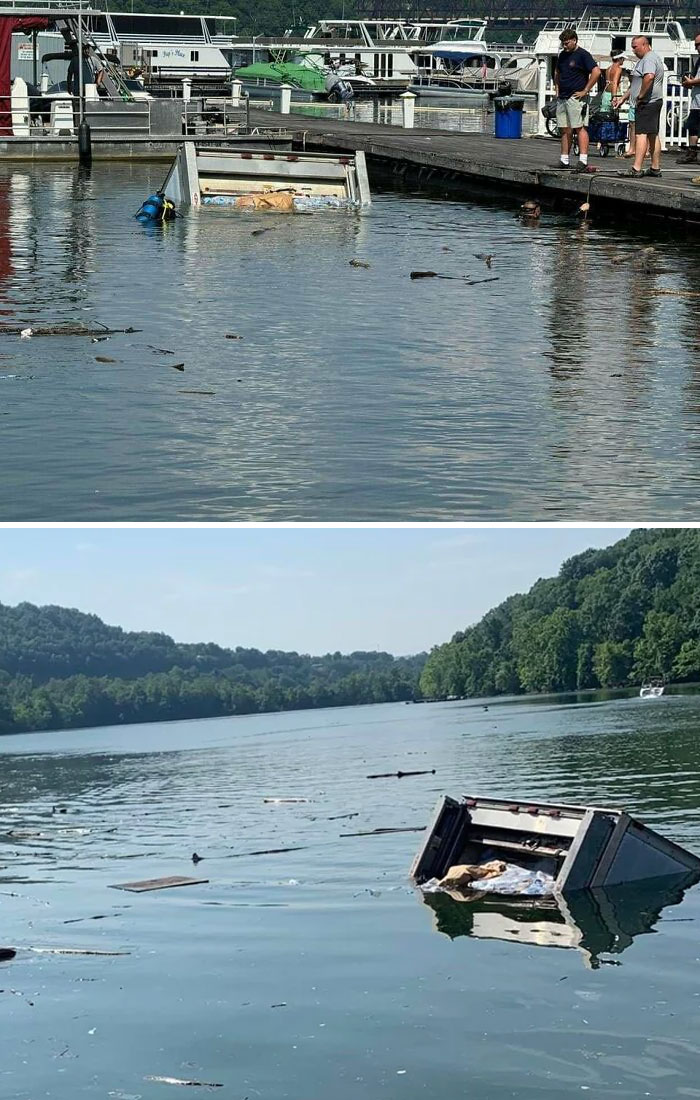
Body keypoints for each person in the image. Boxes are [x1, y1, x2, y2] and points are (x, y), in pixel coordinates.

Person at [616, 35, 665, 178]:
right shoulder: (649, 59)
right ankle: (655, 168)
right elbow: (636, 84)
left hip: (647, 103)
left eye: (635, 46)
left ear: (644, 44)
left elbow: (649, 77)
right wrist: (623, 98)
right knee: (652, 135)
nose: (633, 50)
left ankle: (636, 168)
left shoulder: (648, 59)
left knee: (641, 134)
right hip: (654, 102)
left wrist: (641, 96)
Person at [553, 29, 601, 173]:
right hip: (563, 97)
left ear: (574, 40)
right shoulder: (562, 55)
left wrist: (585, 90)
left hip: (576, 97)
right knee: (564, 128)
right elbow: (557, 72)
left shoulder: (583, 55)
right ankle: (564, 159)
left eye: (567, 43)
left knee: (580, 127)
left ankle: (583, 159)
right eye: (563, 43)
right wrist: (557, 89)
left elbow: (596, 71)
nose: (565, 46)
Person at [678, 33, 700, 164]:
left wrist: (690, 83)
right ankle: (692, 152)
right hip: (696, 101)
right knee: (692, 127)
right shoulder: (698, 61)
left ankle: (692, 153)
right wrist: (689, 82)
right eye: (696, 44)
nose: (697, 47)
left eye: (698, 44)